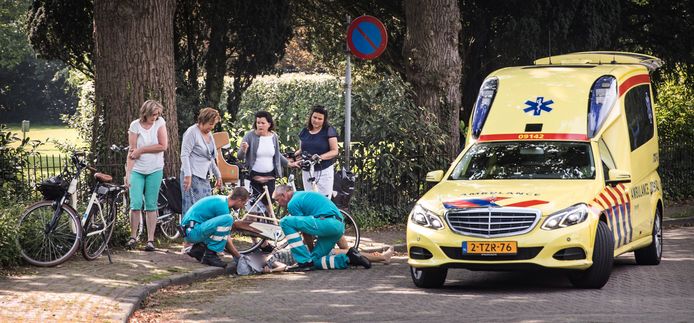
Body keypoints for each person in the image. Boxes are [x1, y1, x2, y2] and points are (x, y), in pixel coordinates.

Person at [272, 184, 371, 271]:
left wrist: (309, 251)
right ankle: (350, 259)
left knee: (285, 221)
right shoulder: (301, 194)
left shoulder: (292, 203)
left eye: (277, 200)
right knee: (315, 261)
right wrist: (311, 256)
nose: (278, 203)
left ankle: (303, 261)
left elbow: (305, 232)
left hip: (328, 223)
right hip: (339, 226)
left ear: (284, 195)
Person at [125, 100, 168, 251]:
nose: (156, 117)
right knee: (135, 204)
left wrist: (142, 150)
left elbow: (163, 146)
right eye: (153, 114)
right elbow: (132, 150)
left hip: (155, 169)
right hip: (137, 169)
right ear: (146, 113)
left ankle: (150, 240)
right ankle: (133, 236)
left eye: (157, 114)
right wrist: (128, 173)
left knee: (150, 205)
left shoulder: (159, 123)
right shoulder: (135, 125)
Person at [181, 187, 250, 267]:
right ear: (239, 200)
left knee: (222, 225)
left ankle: (198, 250)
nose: (242, 207)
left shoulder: (221, 200)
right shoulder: (223, 207)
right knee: (228, 219)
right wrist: (238, 256)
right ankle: (210, 256)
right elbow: (226, 237)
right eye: (243, 204)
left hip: (190, 230)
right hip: (192, 232)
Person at [238, 111, 289, 205]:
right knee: (254, 204)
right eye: (258, 123)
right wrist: (243, 149)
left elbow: (277, 154)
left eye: (263, 123)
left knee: (269, 202)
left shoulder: (274, 136)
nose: (260, 125)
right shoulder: (250, 136)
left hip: (270, 175)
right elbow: (240, 156)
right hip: (254, 174)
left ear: (269, 124)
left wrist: (289, 163)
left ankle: (270, 219)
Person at [180, 107, 222, 215]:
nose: (212, 127)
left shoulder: (209, 134)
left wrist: (218, 175)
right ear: (203, 120)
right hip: (192, 174)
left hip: (204, 175)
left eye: (214, 124)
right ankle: (189, 230)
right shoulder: (192, 132)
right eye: (210, 123)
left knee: (206, 205)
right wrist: (187, 176)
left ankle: (203, 230)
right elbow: (185, 154)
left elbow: (210, 156)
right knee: (193, 207)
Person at [290, 105, 339, 198]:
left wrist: (320, 157)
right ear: (310, 117)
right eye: (314, 117)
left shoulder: (328, 131)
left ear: (324, 120)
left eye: (320, 119)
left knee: (323, 199)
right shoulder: (304, 131)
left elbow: (334, 151)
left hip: (323, 170)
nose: (316, 120)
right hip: (307, 170)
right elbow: (302, 149)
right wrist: (293, 155)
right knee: (310, 198)